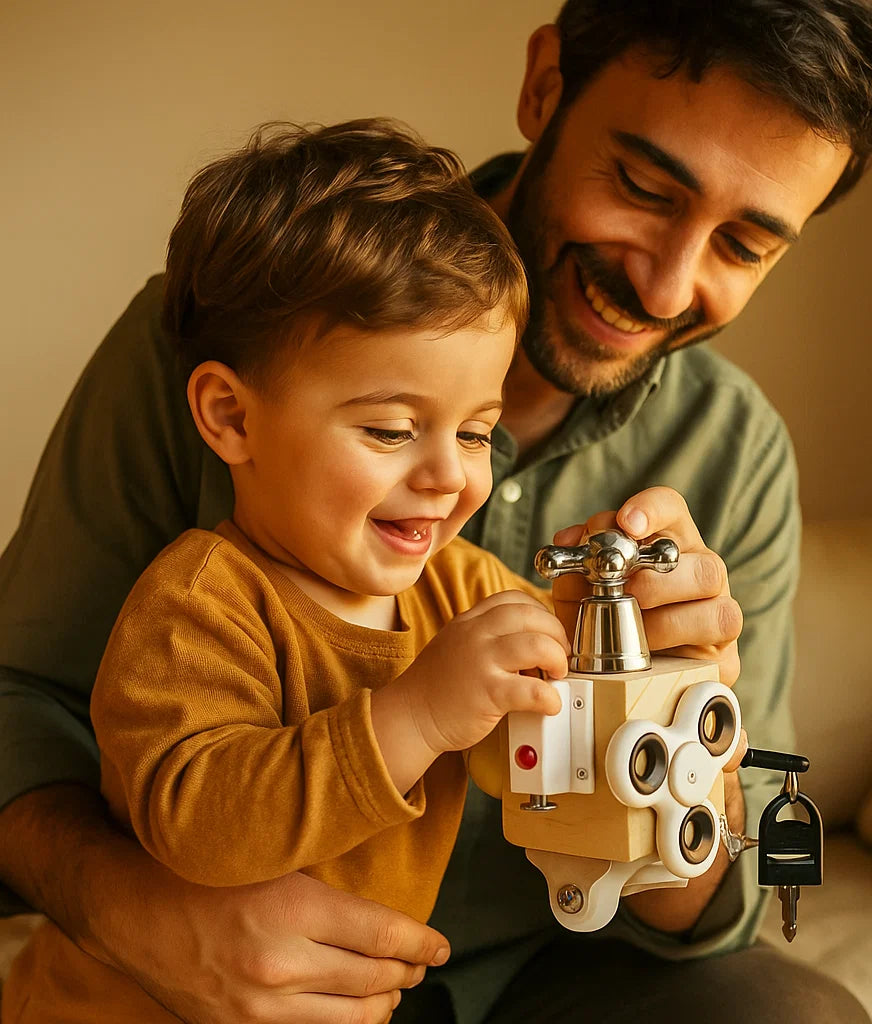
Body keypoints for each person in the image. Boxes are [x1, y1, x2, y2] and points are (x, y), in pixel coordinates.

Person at [0, 2, 872, 1022]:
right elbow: (23, 702)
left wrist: (667, 714)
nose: (666, 288)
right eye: (643, 187)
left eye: (743, 245)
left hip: (540, 965)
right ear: (543, 86)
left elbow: (712, 887)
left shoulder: (731, 449)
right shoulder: (236, 332)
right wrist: (140, 914)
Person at [1, 116, 594, 1020]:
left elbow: (543, 733)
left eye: (477, 433)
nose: (449, 475)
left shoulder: (466, 591)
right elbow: (198, 826)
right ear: (232, 418)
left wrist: (617, 652)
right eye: (390, 430)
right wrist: (415, 715)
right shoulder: (200, 601)